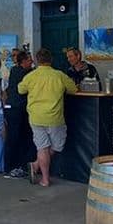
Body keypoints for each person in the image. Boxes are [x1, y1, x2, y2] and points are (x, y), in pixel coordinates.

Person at [19, 48, 78, 187]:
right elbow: (73, 89)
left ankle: (39, 170)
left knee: (42, 148)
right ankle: (41, 173)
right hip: (54, 117)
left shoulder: (31, 76)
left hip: (36, 117)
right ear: (51, 60)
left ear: (37, 60)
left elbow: (20, 89)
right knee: (57, 146)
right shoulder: (59, 75)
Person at [3, 51, 35, 179]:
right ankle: (12, 167)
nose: (32, 62)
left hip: (14, 108)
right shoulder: (24, 73)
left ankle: (16, 166)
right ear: (23, 61)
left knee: (16, 137)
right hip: (17, 109)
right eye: (30, 60)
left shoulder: (14, 70)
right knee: (15, 137)